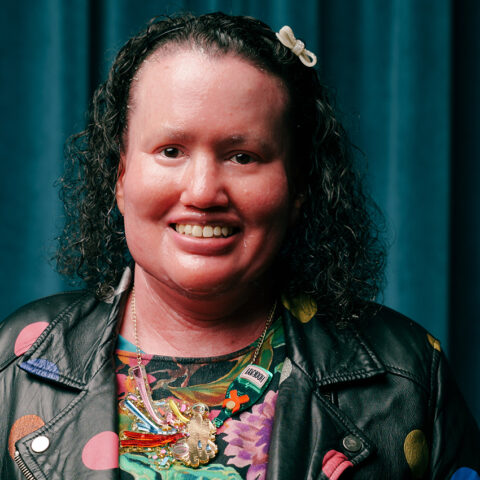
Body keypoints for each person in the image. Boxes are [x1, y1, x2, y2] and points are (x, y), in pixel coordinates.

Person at [1, 12, 479, 480]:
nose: (204, 192)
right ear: (121, 177)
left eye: (242, 156)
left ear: (297, 189)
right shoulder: (15, 363)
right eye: (171, 151)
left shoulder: (408, 374)